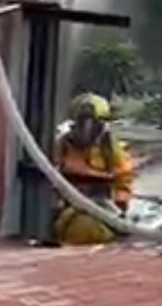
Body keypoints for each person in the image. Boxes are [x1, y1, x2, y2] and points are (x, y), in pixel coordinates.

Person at [52, 93, 136, 246]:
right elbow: (51, 175)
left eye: (94, 123)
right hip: (69, 210)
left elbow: (124, 180)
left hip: (104, 211)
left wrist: (119, 203)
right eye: (82, 122)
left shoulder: (112, 150)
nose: (87, 129)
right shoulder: (62, 146)